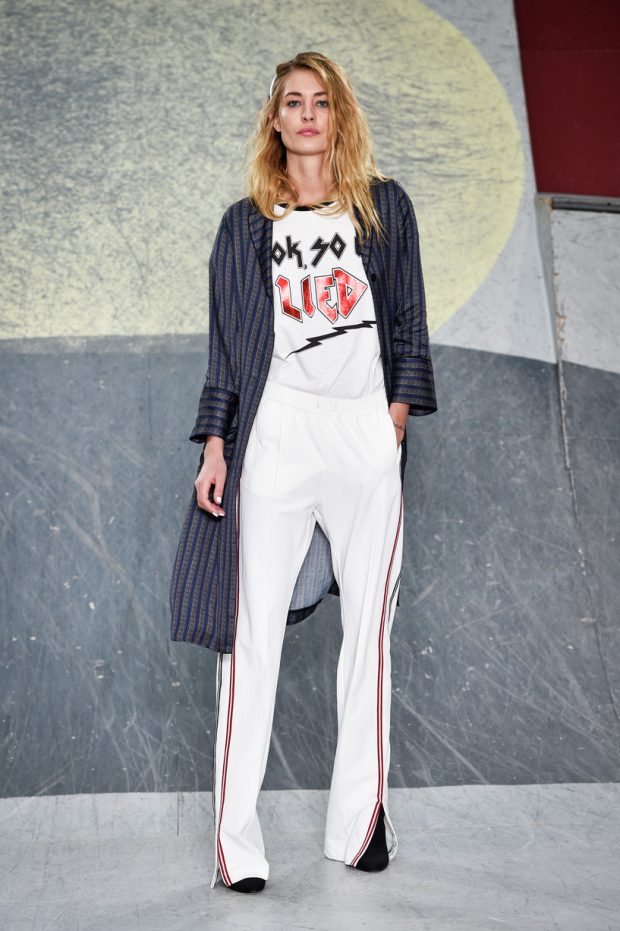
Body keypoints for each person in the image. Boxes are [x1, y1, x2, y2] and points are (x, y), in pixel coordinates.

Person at [169, 50, 438, 894]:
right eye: (294, 101)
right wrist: (217, 446)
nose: (309, 114)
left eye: (322, 101)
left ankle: (359, 827)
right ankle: (236, 845)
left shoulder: (384, 208)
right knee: (251, 635)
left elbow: (408, 320)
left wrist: (391, 423)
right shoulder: (245, 224)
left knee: (370, 635)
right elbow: (226, 349)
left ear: (338, 115)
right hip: (278, 432)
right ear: (276, 120)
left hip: (363, 430)